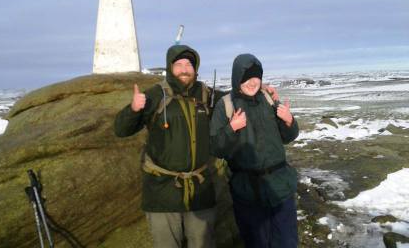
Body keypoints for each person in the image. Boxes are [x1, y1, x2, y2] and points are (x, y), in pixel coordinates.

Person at [114, 44, 218, 248]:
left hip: (200, 191)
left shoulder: (207, 95)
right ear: (170, 68)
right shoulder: (155, 95)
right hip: (162, 192)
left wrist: (261, 89)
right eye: (178, 64)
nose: (184, 69)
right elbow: (121, 129)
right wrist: (134, 109)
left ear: (195, 68)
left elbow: (238, 99)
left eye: (188, 64)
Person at [210, 53, 299, 248]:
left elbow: (288, 136)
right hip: (247, 191)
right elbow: (216, 147)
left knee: (287, 241)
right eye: (246, 78)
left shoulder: (268, 99)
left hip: (280, 186)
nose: (252, 82)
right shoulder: (225, 105)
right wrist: (231, 128)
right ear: (237, 79)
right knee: (257, 242)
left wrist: (289, 121)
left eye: (256, 77)